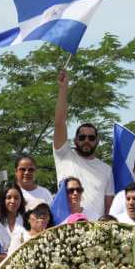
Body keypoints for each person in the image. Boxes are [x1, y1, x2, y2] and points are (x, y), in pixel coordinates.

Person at [53, 69, 114, 219]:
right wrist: (63, 89)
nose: (87, 140)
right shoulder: (64, 155)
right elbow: (60, 122)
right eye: (82, 137)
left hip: (94, 227)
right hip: (65, 224)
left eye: (91, 138)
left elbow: (109, 207)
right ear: (75, 140)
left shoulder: (106, 170)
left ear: (97, 141)